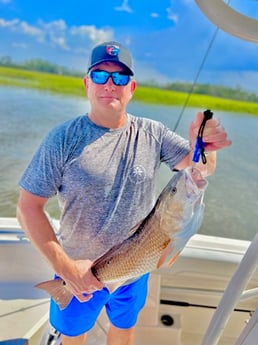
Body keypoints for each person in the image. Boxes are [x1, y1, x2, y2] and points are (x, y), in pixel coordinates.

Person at [16, 41, 231, 345]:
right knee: (73, 336)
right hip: (78, 270)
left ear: (132, 87)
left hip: (135, 268)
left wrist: (206, 146)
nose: (110, 85)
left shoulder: (153, 133)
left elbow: (199, 170)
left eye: (119, 78)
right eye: (101, 76)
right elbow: (27, 207)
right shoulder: (62, 139)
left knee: (123, 330)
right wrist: (66, 269)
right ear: (87, 83)